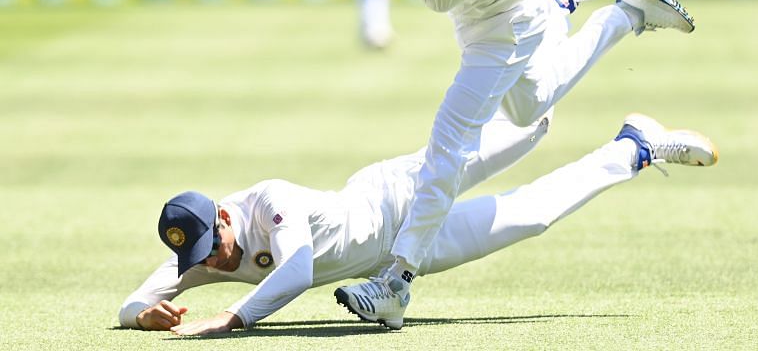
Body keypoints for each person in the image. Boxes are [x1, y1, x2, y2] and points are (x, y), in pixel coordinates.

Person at [334, 0, 698, 328]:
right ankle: (621, 11)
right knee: (530, 106)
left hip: (513, 22)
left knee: (448, 145)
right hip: (471, 24)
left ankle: (396, 280)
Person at [119, 111, 718, 334]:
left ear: (224, 215)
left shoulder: (268, 202)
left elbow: (298, 269)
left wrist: (232, 317)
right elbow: (135, 301)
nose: (214, 261)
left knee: (529, 129)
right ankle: (636, 147)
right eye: (199, 257)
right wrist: (144, 314)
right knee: (531, 218)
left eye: (214, 244)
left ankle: (593, 11)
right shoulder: (201, 255)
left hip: (398, 195)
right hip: (401, 259)